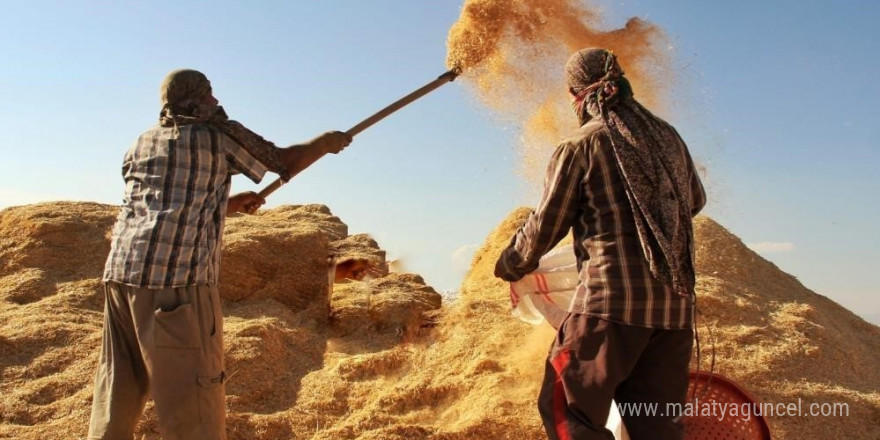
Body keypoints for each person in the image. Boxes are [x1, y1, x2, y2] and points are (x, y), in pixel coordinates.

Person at [88, 69, 351, 440]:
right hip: (177, 285)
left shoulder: (141, 143)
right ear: (196, 98)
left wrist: (225, 205)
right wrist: (324, 143)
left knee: (118, 388)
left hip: (121, 278)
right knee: (193, 400)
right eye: (209, 94)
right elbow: (282, 161)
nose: (215, 101)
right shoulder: (216, 136)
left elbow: (164, 202)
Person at [494, 48, 706, 440]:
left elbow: (546, 224)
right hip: (674, 313)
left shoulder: (580, 145)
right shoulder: (668, 137)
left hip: (609, 309)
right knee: (656, 426)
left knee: (568, 412)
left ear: (577, 94)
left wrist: (510, 262)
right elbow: (695, 201)